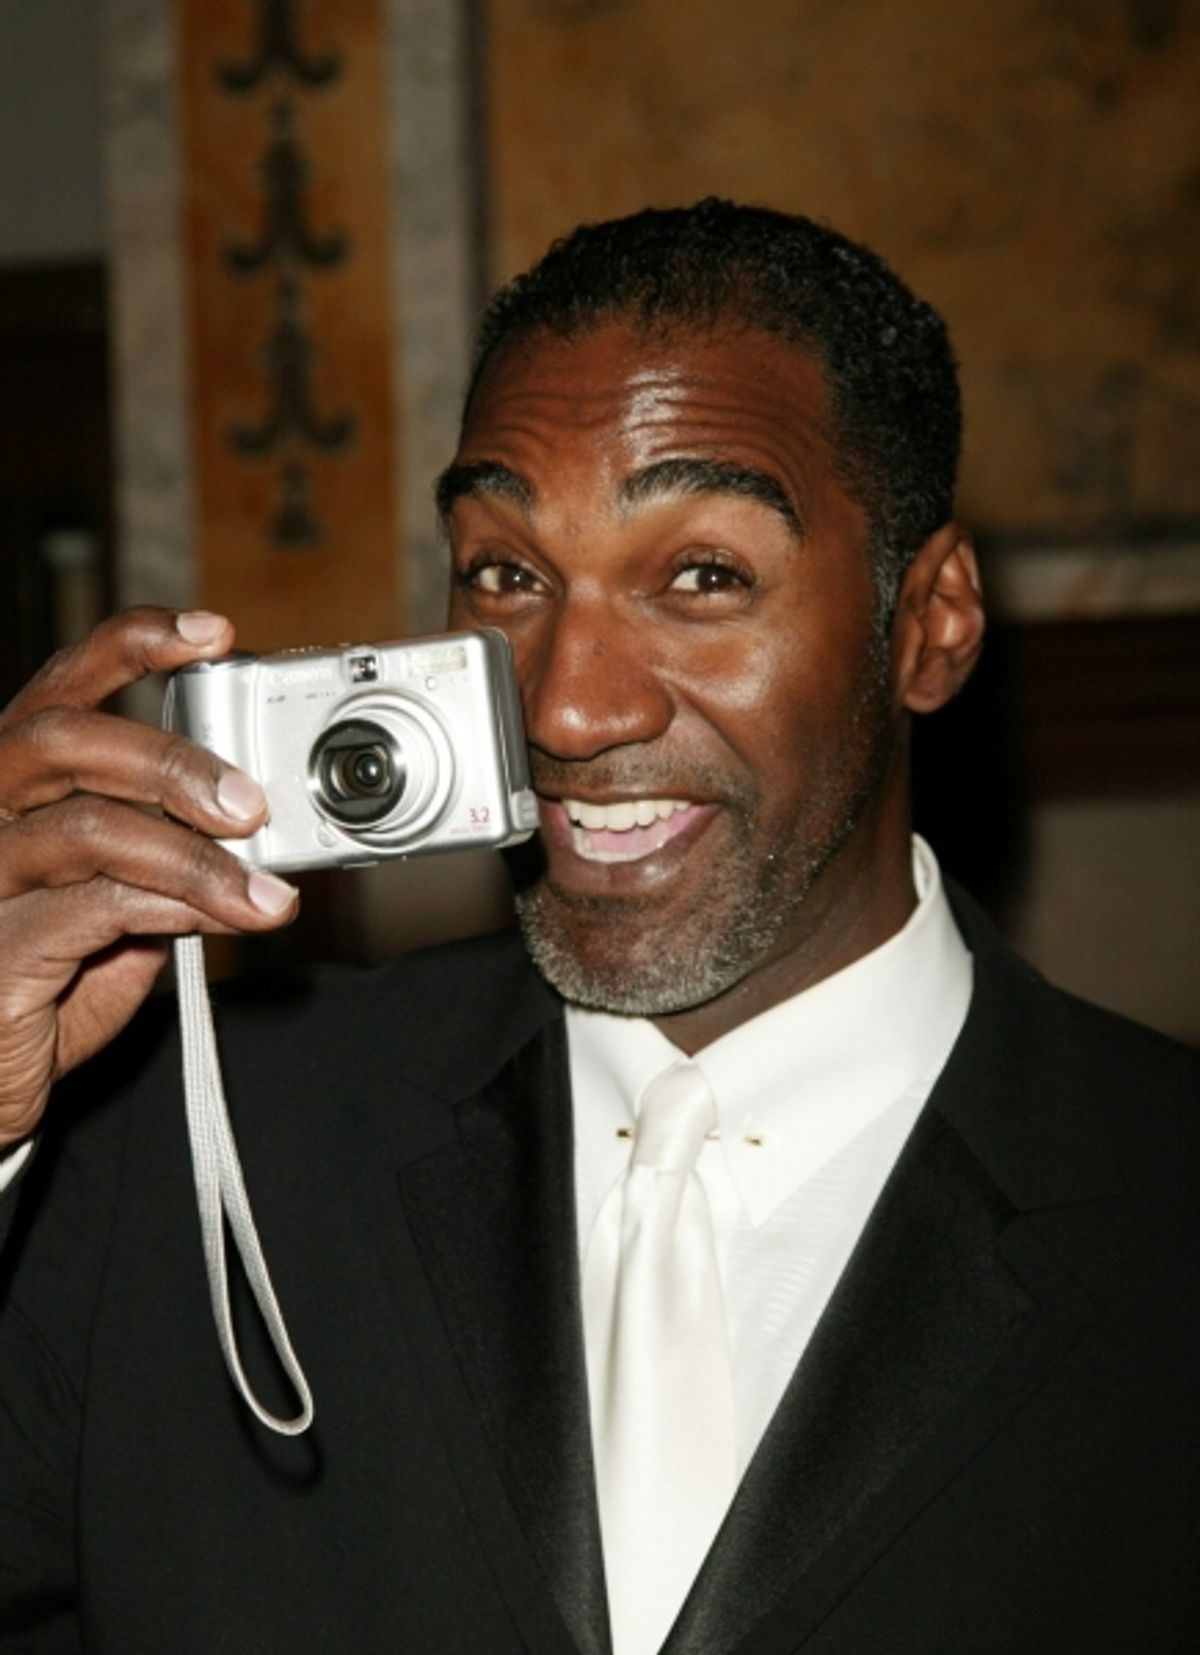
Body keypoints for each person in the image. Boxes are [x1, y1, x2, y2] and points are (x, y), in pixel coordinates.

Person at [0, 200, 1195, 1654]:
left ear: (928, 624)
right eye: (506, 573)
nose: (564, 706)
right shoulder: (169, 1151)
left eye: (702, 577)